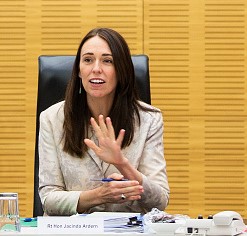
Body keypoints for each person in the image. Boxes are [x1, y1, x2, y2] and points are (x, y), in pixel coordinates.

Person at [38, 27, 170, 216]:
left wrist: (122, 164)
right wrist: (99, 195)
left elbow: (160, 200)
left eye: (107, 61)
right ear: (78, 71)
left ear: (121, 71)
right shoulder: (52, 119)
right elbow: (48, 199)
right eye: (88, 60)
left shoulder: (149, 119)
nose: (96, 69)